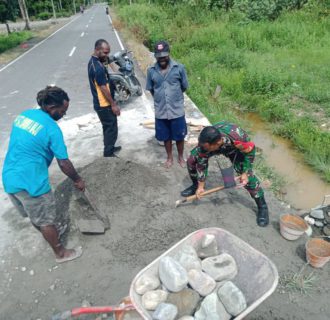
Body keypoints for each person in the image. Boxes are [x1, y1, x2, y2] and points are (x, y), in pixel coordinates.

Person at [2, 86, 85, 263]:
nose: (63, 115)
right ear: (51, 107)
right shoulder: (52, 129)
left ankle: (51, 236)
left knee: (36, 217)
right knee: (46, 220)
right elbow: (63, 163)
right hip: (32, 182)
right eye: (62, 111)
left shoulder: (25, 116)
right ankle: (61, 253)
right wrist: (77, 179)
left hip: (10, 177)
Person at [181, 121, 269, 227]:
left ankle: (262, 207)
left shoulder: (237, 139)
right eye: (203, 146)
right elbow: (202, 164)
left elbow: (250, 152)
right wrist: (201, 186)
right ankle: (195, 185)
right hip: (216, 145)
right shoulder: (205, 144)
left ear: (217, 144)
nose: (204, 148)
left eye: (206, 147)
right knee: (192, 159)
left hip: (234, 149)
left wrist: (245, 172)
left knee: (247, 178)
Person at [146, 40, 189, 168]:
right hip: (161, 110)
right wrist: (160, 100)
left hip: (177, 110)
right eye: (159, 56)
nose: (162, 59)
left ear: (169, 53)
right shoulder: (151, 71)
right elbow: (151, 89)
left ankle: (180, 157)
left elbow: (184, 86)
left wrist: (174, 98)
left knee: (179, 135)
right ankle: (169, 157)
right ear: (155, 56)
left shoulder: (179, 68)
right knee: (166, 136)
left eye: (164, 56)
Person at [88, 39, 121, 157]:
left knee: (107, 127)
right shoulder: (98, 67)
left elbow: (108, 62)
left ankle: (110, 146)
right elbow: (103, 88)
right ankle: (108, 153)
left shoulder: (94, 61)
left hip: (100, 103)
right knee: (111, 128)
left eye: (108, 52)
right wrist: (113, 104)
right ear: (97, 50)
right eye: (105, 53)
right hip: (104, 104)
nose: (107, 55)